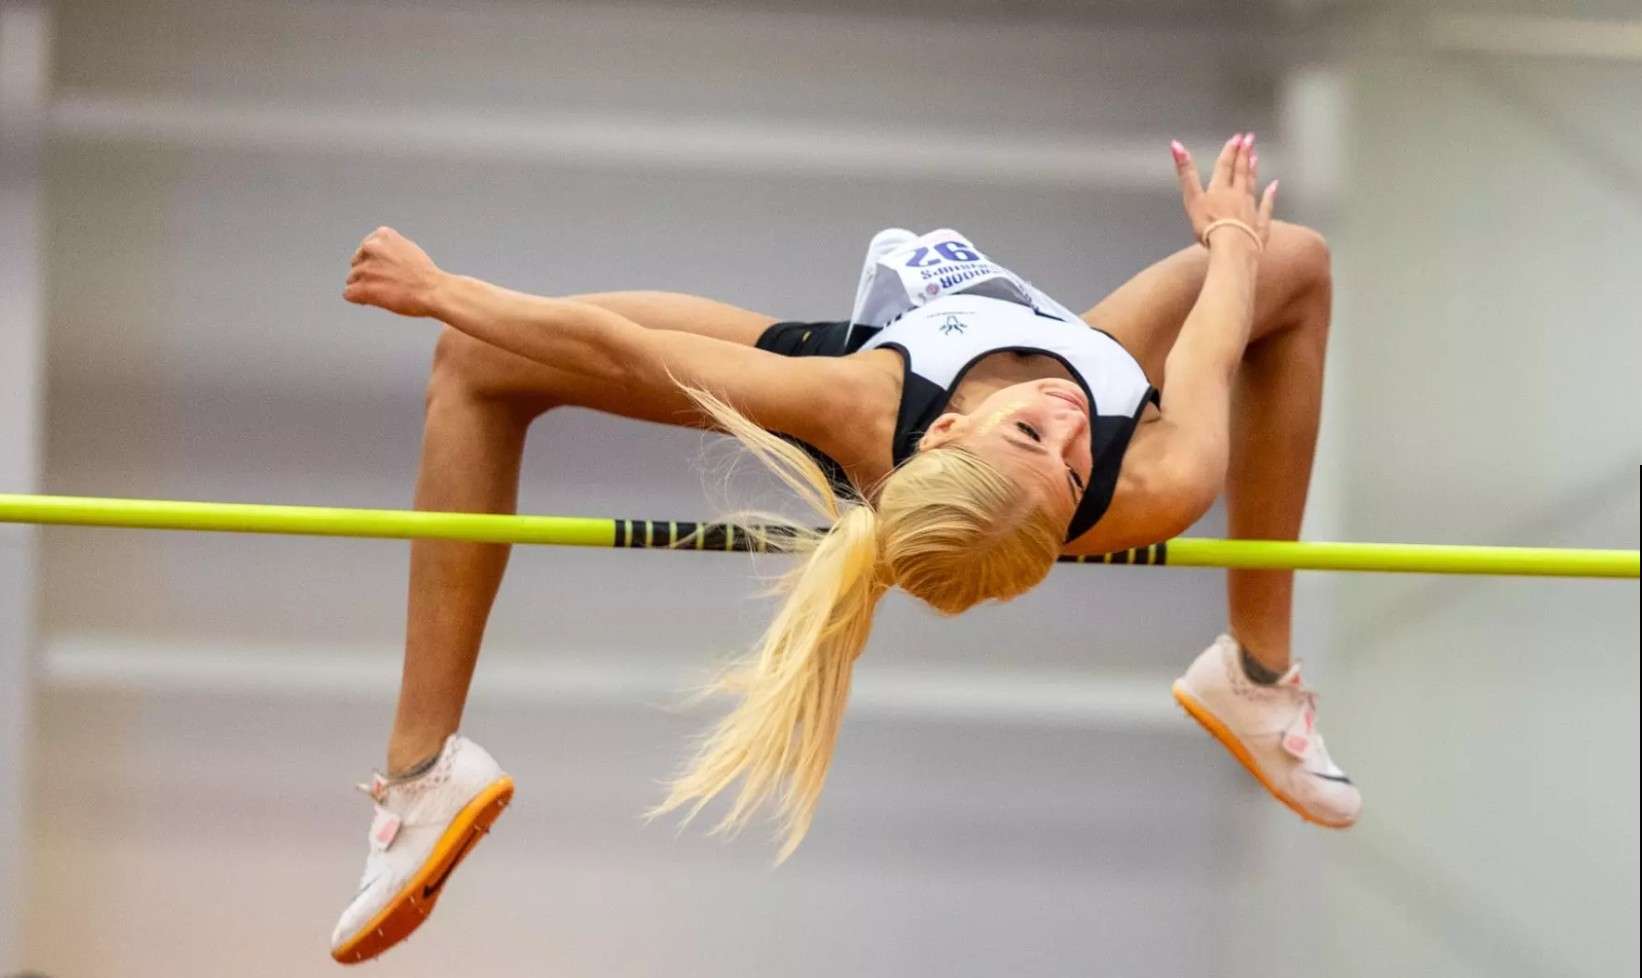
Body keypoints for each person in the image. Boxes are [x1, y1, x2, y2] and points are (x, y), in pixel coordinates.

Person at [329, 133, 1357, 964]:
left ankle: (421, 772)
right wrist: (1229, 236)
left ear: (946, 432)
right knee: (1295, 262)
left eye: (1043, 440)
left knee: (476, 352)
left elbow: (633, 354)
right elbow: (1212, 343)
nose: (1069, 422)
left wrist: (440, 288)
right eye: (1063, 453)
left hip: (883, 367)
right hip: (1058, 342)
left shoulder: (855, 401)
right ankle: (1257, 673)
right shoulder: (1154, 474)